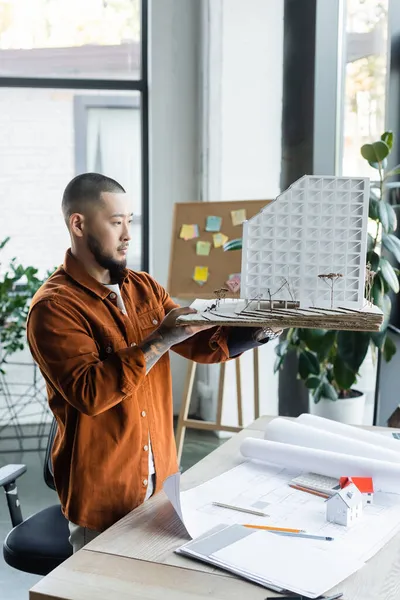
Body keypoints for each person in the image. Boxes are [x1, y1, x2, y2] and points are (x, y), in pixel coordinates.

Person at [27, 173, 282, 553]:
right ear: (78, 224)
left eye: (130, 221)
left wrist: (264, 328)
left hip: (162, 483)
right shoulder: (54, 308)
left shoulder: (144, 287)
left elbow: (201, 345)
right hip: (104, 496)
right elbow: (90, 393)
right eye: (116, 223)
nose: (128, 234)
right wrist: (160, 339)